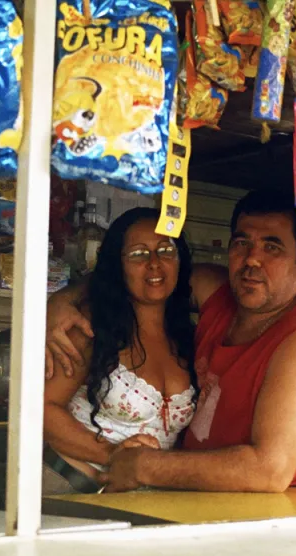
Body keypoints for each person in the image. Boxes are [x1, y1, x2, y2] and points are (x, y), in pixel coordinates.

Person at [45, 190, 296, 493]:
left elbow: (268, 471)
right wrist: (62, 300)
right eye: (242, 244)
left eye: (272, 247)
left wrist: (141, 465)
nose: (252, 259)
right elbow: (143, 276)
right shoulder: (218, 293)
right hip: (157, 499)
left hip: (264, 518)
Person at [42, 208, 198, 494]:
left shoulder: (187, 336)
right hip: (71, 487)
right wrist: (113, 454)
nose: (154, 264)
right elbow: (42, 409)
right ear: (118, 265)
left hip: (142, 503)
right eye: (138, 254)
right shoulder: (90, 325)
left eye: (165, 250)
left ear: (179, 260)